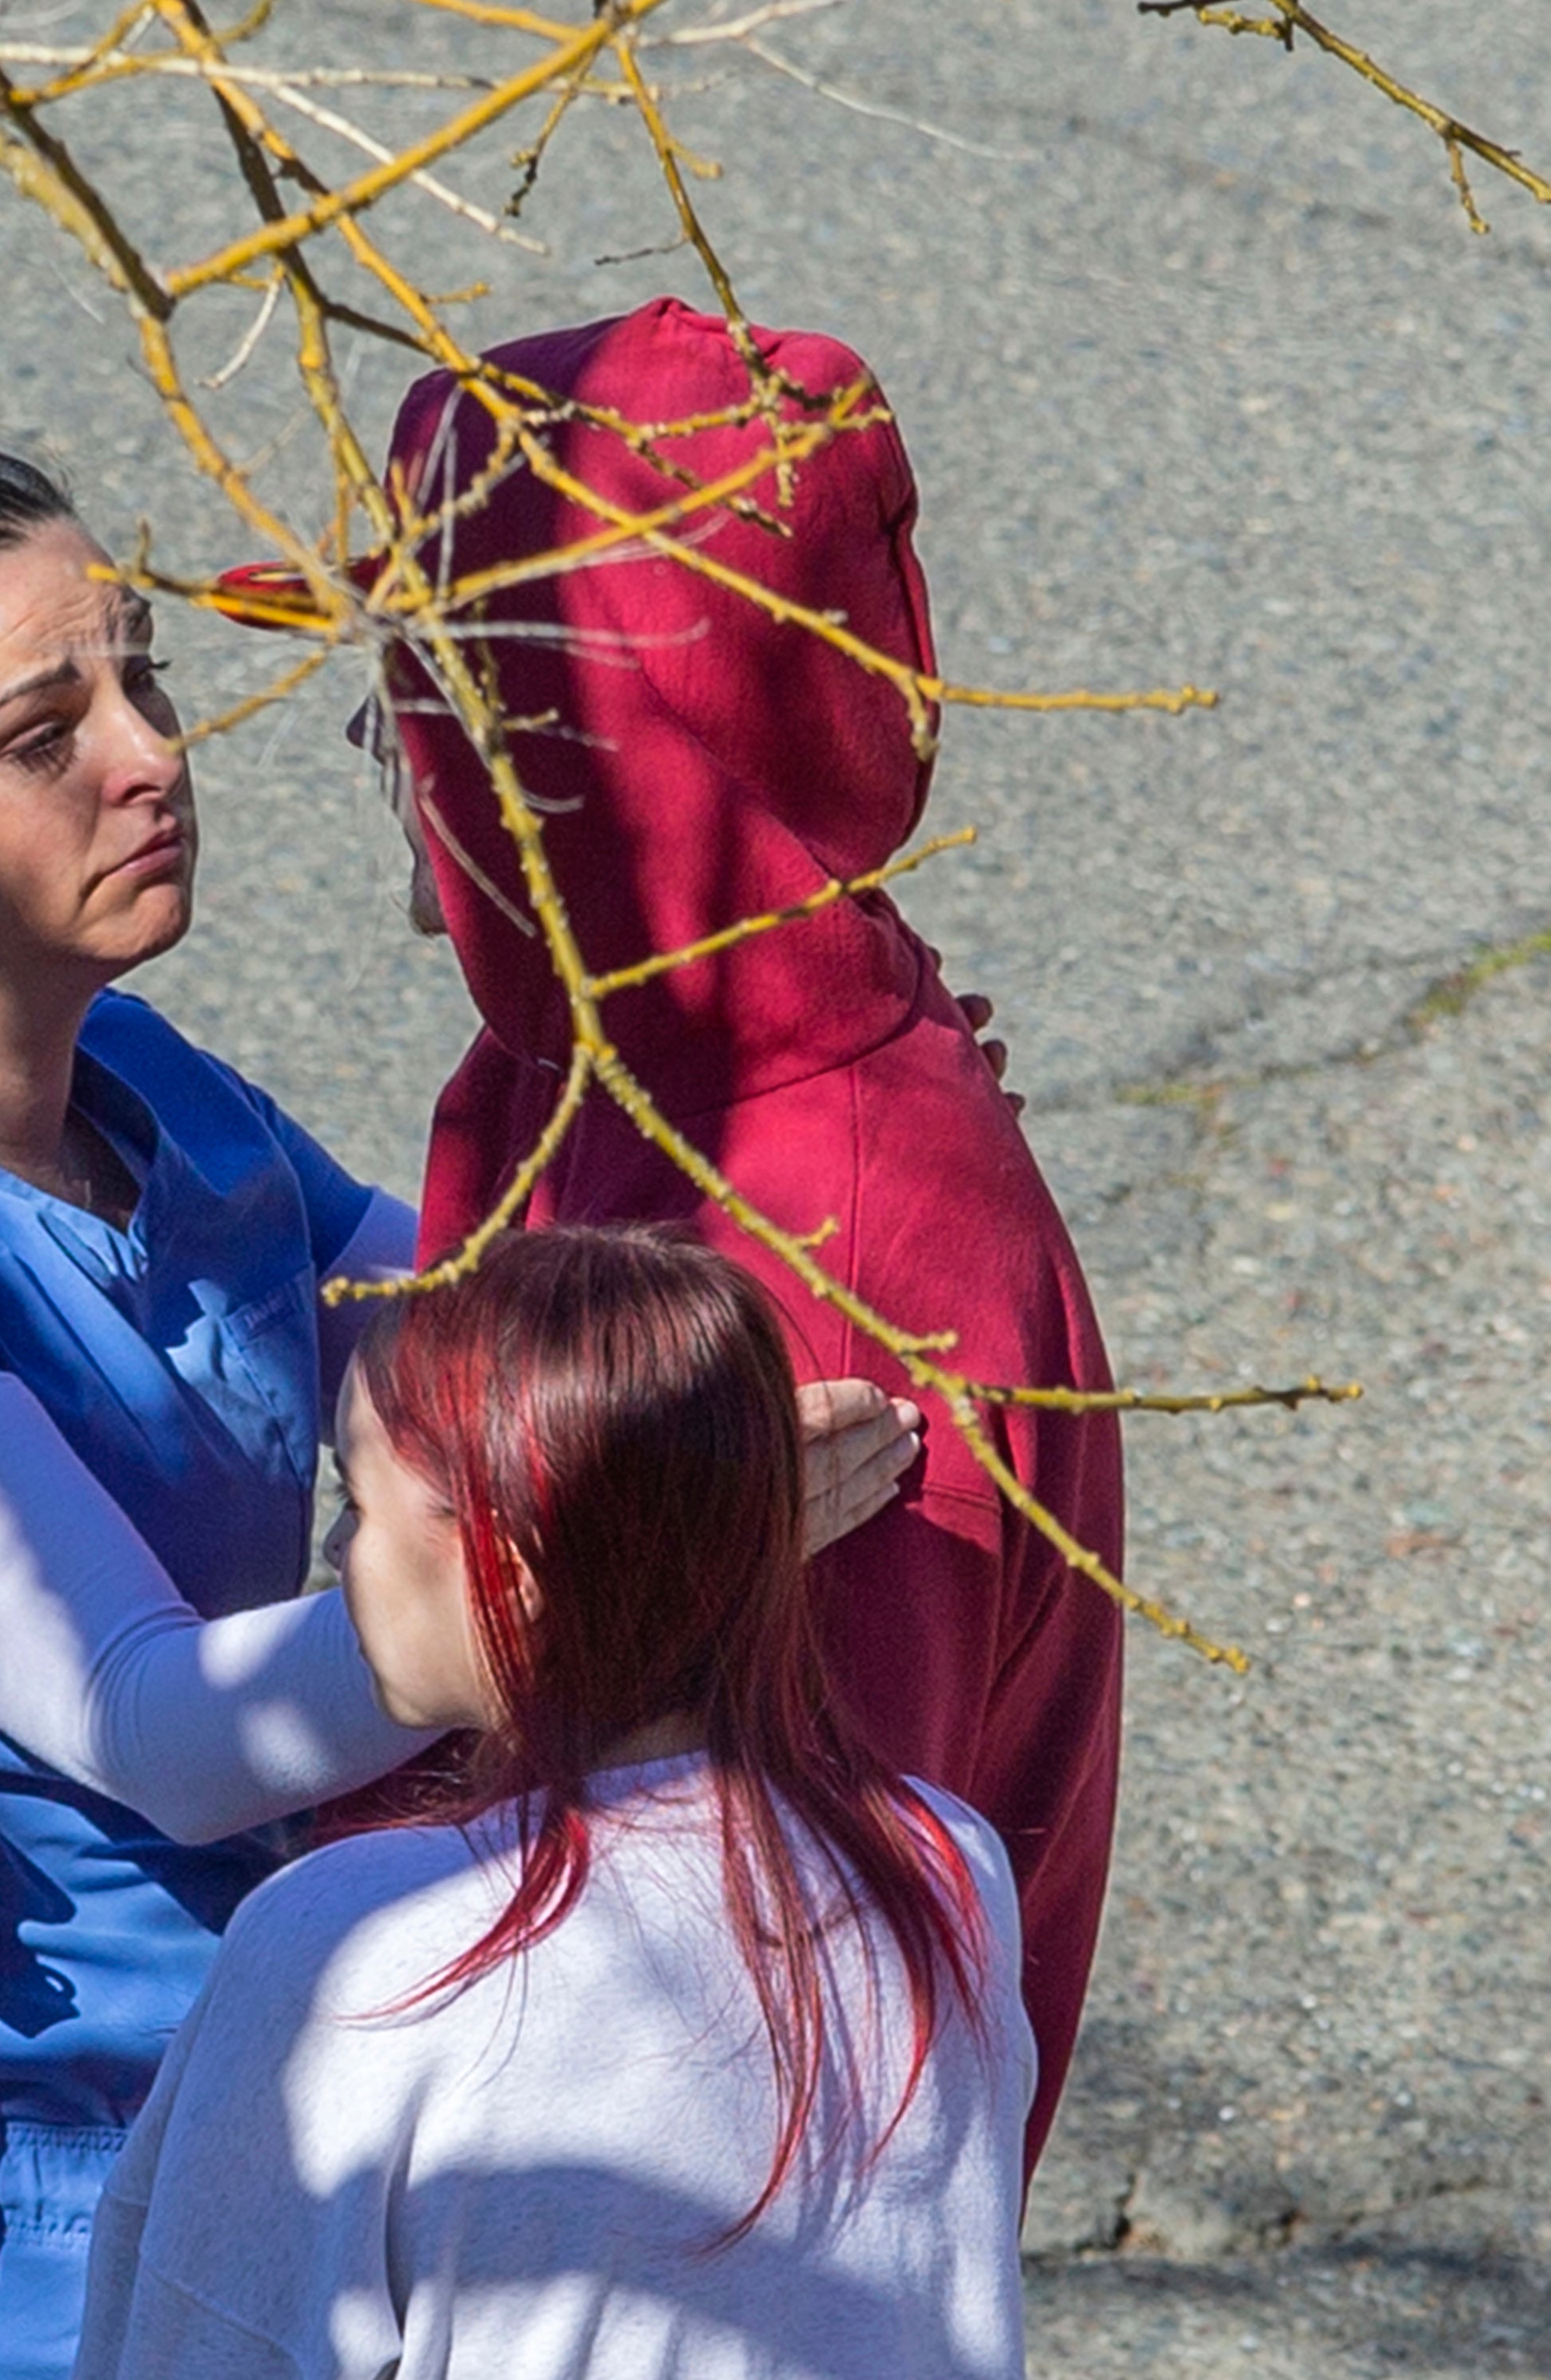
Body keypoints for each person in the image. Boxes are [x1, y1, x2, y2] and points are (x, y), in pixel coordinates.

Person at [0, 434, 922, 2380]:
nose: (149, 750)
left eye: (144, 673)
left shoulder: (148, 1085)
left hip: (244, 2122)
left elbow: (469, 1330)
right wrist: (612, 1549)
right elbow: (158, 1723)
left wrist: (834, 1068)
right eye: (43, 732)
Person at [358, 297, 1123, 2175]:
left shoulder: (824, 1260)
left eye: (434, 682)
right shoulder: (605, 1074)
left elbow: (764, 2035)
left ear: (587, 737)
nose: (392, 748)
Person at [74, 1226, 1034, 2380]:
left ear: (509, 1568)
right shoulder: (943, 1862)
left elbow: (204, 2344)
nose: (336, 1548)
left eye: (362, 1502)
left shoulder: (356, 1945)